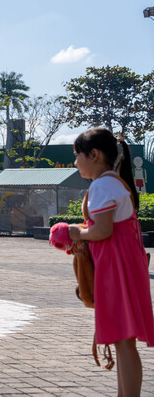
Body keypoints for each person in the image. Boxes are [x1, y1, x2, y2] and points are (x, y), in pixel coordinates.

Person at [67, 128, 154, 396]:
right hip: (125, 265)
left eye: (77, 155)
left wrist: (77, 233)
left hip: (115, 269)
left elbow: (102, 230)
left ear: (94, 155)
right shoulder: (116, 182)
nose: (75, 162)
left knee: (123, 341)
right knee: (123, 341)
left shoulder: (102, 185)